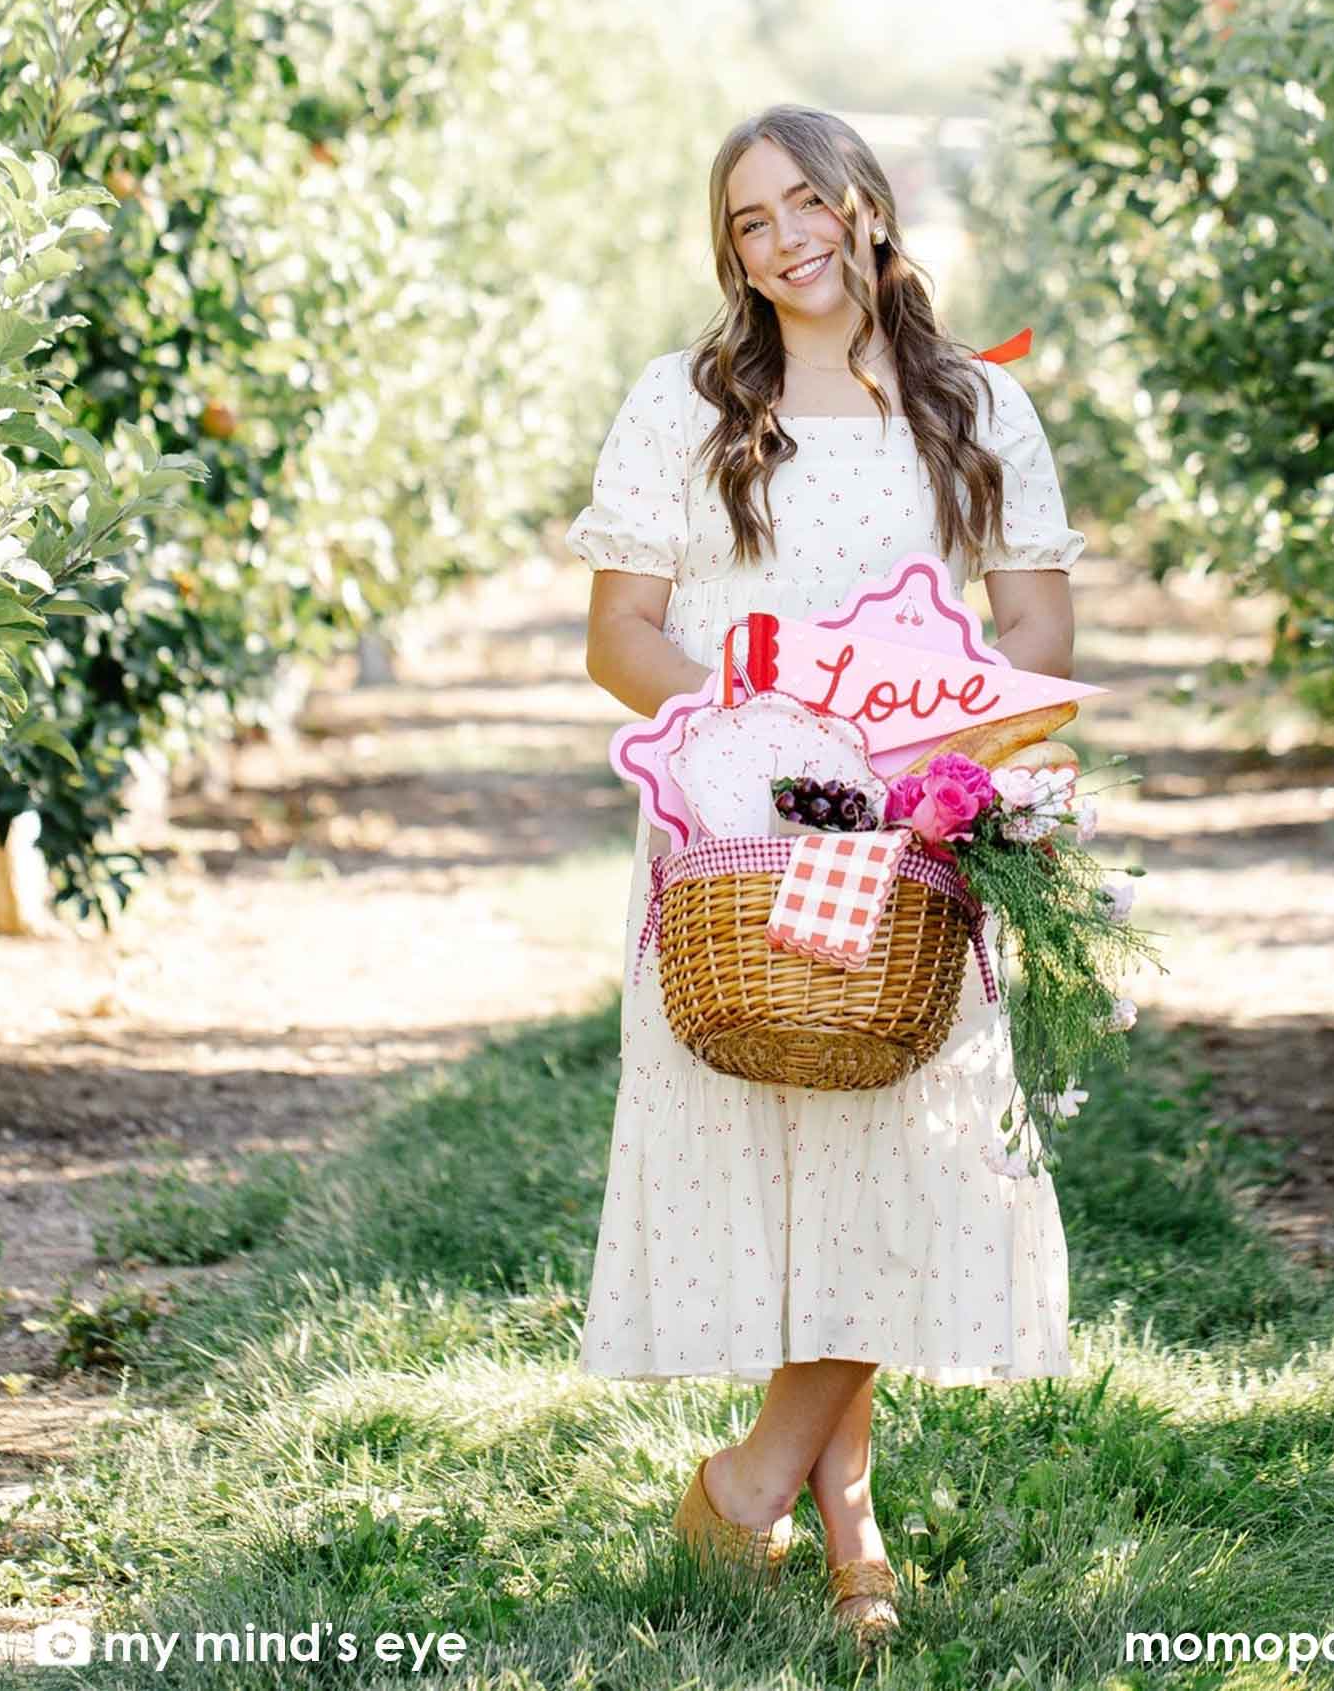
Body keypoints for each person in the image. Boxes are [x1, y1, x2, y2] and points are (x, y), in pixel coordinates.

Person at [565, 103, 1086, 1648]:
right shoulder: (686, 402)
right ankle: (844, 1519)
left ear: (864, 204)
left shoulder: (978, 408)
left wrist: (929, 774)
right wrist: (745, 745)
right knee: (776, 1112)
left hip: (911, 826)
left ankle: (754, 1485)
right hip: (737, 826)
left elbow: (1039, 634)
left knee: (897, 1139)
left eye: (805, 200)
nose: (783, 236)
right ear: (727, 249)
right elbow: (621, 629)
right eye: (747, 220)